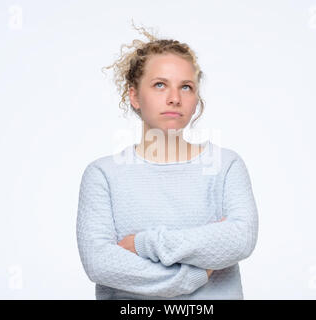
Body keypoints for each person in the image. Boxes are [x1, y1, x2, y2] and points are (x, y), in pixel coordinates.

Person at [76, 21, 259, 300]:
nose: (174, 98)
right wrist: (197, 271)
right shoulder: (103, 174)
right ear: (134, 96)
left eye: (186, 87)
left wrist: (141, 243)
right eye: (160, 85)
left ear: (196, 98)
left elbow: (241, 239)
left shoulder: (226, 166)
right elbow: (100, 263)